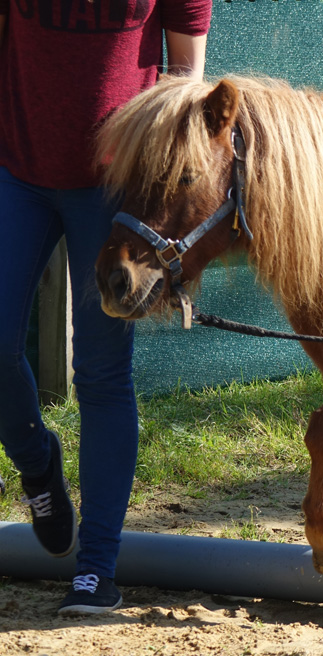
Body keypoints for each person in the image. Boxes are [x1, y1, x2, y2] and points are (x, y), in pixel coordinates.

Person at [0, 0, 212, 615]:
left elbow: (184, 83)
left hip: (113, 195)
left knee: (101, 373)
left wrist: (157, 195)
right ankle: (38, 467)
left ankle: (97, 569)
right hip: (17, 170)